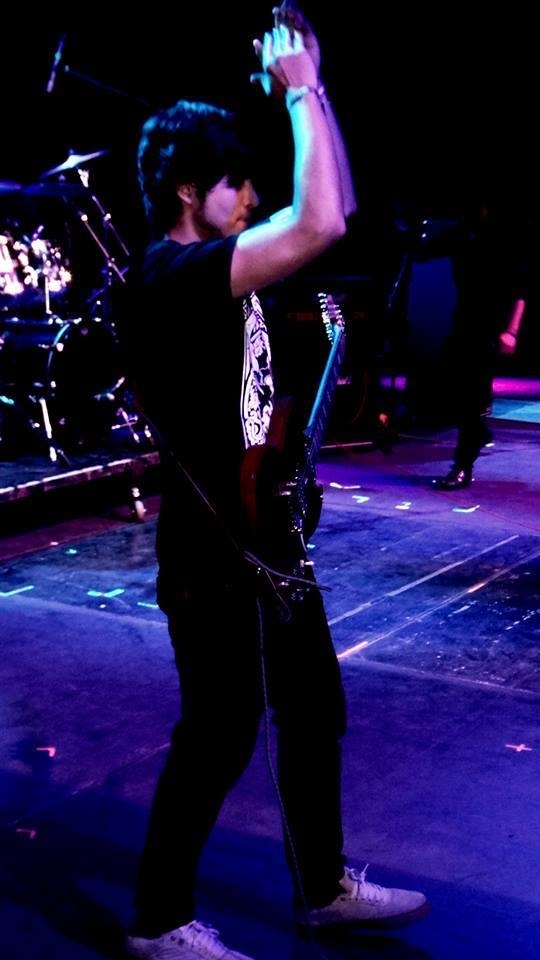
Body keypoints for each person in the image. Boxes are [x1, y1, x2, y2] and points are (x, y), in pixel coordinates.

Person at [118, 6, 429, 959]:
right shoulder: (171, 275)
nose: (253, 196)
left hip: (267, 532)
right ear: (187, 191)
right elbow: (319, 219)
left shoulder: (228, 269)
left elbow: (335, 212)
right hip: (211, 546)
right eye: (235, 182)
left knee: (312, 709)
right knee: (218, 732)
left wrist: (316, 97)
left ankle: (322, 888)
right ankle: (158, 922)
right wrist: (302, 92)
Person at [433, 191, 530, 490]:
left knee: (471, 395)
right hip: (463, 322)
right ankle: (478, 432)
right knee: (456, 389)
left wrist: (511, 331)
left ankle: (463, 465)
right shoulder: (462, 237)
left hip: (488, 328)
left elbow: (521, 291)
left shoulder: (502, 243)